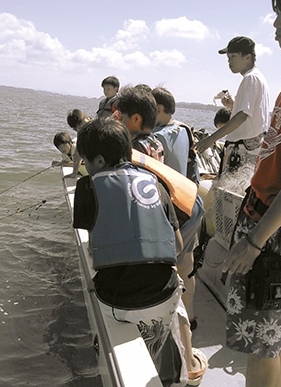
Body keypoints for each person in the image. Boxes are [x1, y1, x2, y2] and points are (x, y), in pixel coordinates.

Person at [73, 117, 206, 386]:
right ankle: (185, 370)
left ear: (98, 160)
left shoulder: (87, 187)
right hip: (163, 294)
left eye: (85, 161)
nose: (85, 167)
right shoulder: (156, 184)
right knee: (175, 310)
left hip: (115, 300)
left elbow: (94, 242)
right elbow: (177, 246)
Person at [222, 0, 281, 386]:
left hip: (274, 236)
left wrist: (254, 241)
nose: (275, 23)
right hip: (267, 223)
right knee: (274, 335)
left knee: (258, 346)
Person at [116, 85, 207, 384]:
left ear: (138, 118)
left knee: (171, 287)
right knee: (186, 271)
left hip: (174, 219)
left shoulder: (139, 146)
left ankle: (186, 360)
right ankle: (190, 334)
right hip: (191, 204)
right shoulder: (180, 132)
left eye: (122, 114)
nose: (117, 116)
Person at [151, 86, 204, 330]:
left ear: (159, 109)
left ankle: (175, 327)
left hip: (174, 212)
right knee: (188, 266)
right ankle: (191, 316)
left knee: (170, 272)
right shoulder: (184, 129)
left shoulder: (155, 139)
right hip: (192, 204)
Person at [196, 36, 270, 178]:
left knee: (229, 196)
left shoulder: (250, 78)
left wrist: (211, 139)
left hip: (242, 151)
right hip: (253, 148)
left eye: (233, 56)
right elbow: (253, 113)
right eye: (228, 57)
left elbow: (242, 116)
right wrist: (233, 105)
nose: (229, 61)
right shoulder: (258, 77)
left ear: (248, 57)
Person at [65, 109, 92, 178]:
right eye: (80, 128)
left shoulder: (100, 125)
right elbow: (77, 153)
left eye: (83, 124)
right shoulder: (82, 133)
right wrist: (74, 173)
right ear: (75, 129)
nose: (84, 128)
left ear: (87, 117)